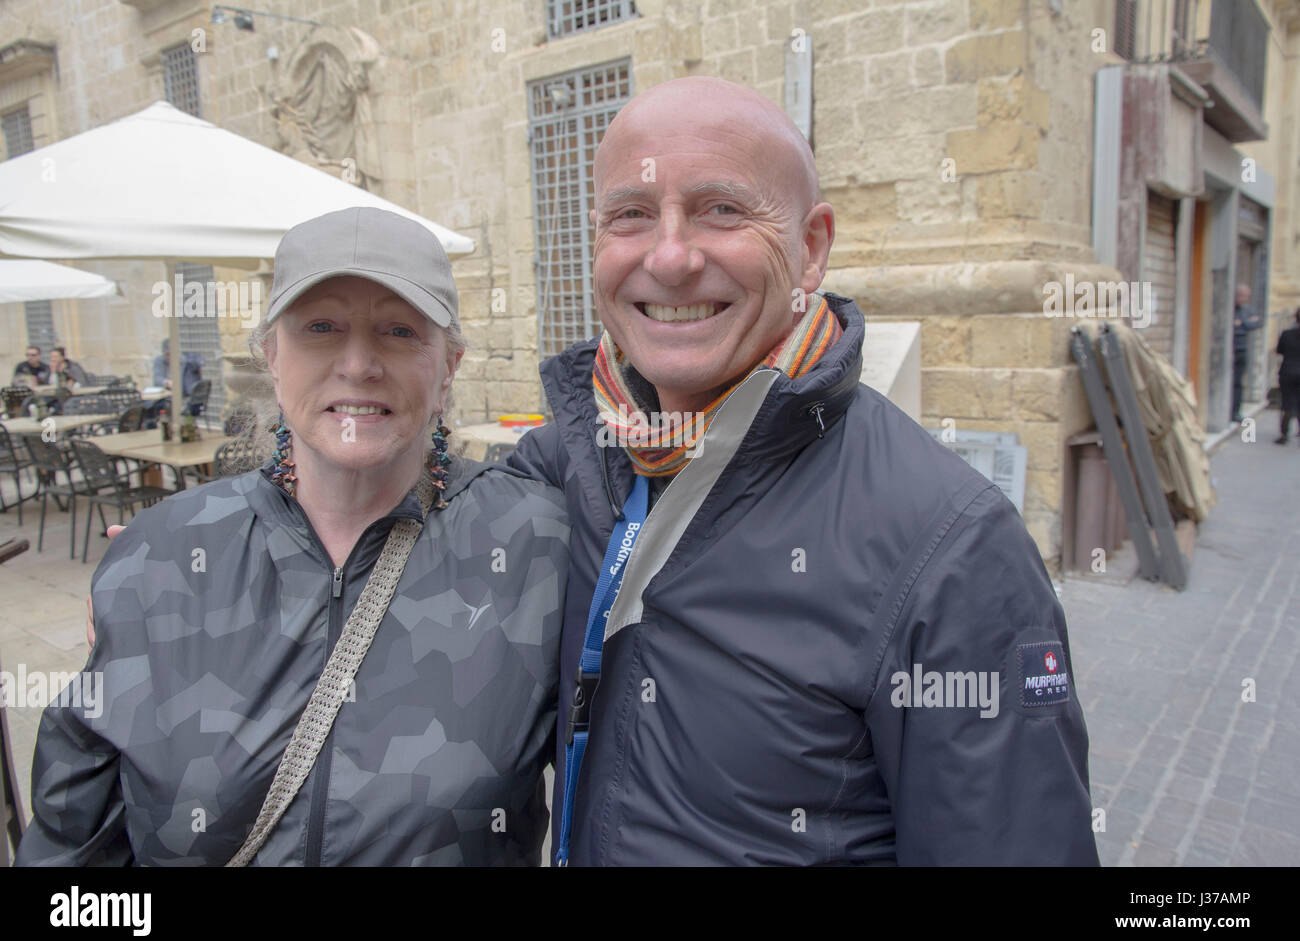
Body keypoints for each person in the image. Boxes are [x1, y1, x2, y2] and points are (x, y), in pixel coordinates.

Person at [508, 77, 1099, 865]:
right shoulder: (570, 465)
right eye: (631, 215)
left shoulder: (954, 549)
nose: (672, 256)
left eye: (722, 209)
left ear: (812, 247)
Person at [17, 207, 570, 866]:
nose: (359, 363)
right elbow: (72, 843)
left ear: (448, 365)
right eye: (320, 327)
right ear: (273, 358)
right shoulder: (159, 553)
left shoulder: (538, 546)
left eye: (399, 330)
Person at [1232, 283, 1263, 423]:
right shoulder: (1229, 308)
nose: (1243, 299)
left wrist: (1241, 323)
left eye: (1246, 296)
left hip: (1241, 350)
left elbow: (1257, 322)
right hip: (1229, 349)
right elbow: (1231, 325)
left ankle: (1235, 412)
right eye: (1241, 295)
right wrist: (1244, 323)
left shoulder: (1246, 310)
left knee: (1238, 382)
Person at [1275, 306, 1300, 444]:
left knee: (1287, 402)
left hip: (1288, 371)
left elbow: (1279, 350)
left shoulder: (1287, 334)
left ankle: (1284, 433)